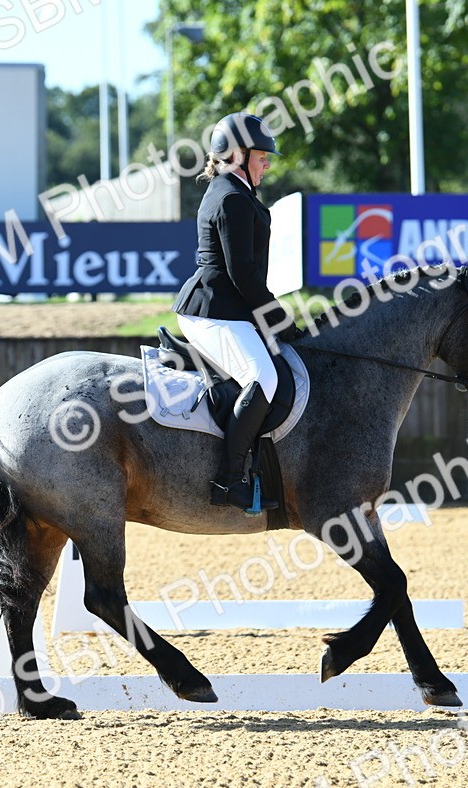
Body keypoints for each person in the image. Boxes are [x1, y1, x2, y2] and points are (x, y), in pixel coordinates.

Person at [172, 112, 304, 512]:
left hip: (229, 308)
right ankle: (228, 481)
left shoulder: (237, 191)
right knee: (261, 377)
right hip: (212, 310)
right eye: (262, 156)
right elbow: (243, 274)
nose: (267, 163)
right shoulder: (230, 197)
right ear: (238, 155)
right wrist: (281, 321)